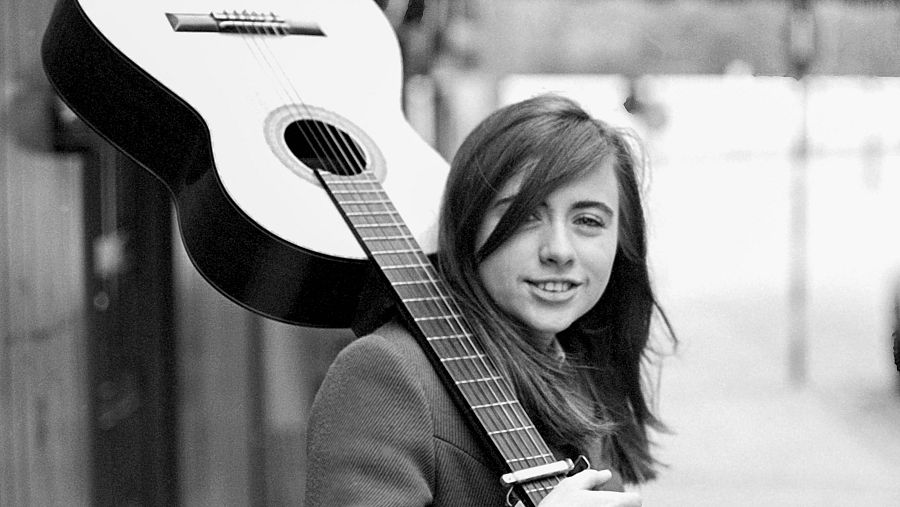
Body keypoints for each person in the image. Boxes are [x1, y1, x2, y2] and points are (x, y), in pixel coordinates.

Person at [305, 93, 676, 506]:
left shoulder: (577, 368)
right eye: (525, 215)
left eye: (588, 221)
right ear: (469, 224)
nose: (559, 250)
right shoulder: (386, 371)